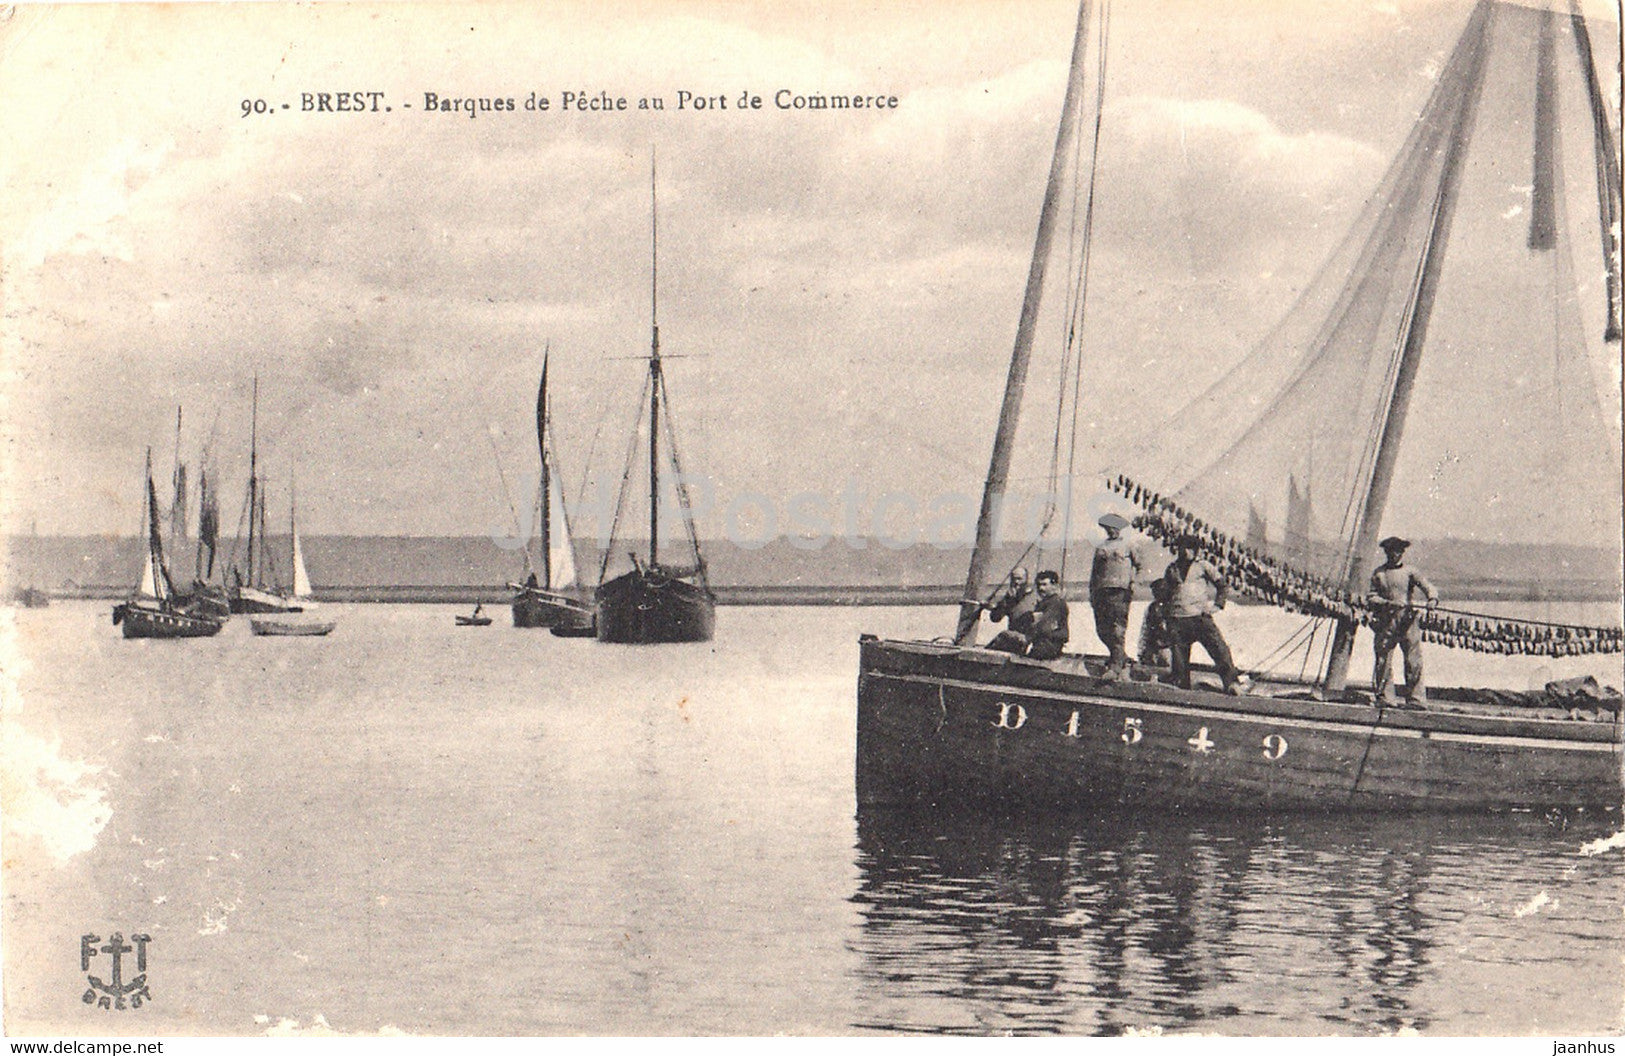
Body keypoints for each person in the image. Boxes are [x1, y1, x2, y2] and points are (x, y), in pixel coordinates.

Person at [1160, 534, 1245, 693]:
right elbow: (1165, 594)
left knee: (1219, 650)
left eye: (1190, 548)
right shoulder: (1172, 569)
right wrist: (1166, 617)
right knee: (1179, 661)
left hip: (1199, 618)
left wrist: (1217, 605)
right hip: (1177, 619)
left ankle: (1232, 683)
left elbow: (1222, 585)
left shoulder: (1203, 566)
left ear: (1196, 551)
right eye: (1183, 548)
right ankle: (1182, 690)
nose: (1186, 552)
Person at [1368, 536, 1438, 707]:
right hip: (1386, 621)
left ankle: (1416, 699)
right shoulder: (1379, 573)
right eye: (1390, 552)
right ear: (1386, 553)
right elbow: (1371, 597)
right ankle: (1386, 698)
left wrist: (1432, 599)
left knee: (1413, 659)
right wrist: (1387, 603)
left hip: (1407, 620)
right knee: (1383, 659)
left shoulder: (1410, 571)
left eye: (1397, 552)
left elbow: (1428, 586)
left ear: (1402, 553)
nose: (1394, 555)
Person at [1090, 512, 1142, 678]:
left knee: (1117, 629)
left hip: (1120, 591)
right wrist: (1092, 593)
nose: (1112, 530)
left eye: (1115, 527)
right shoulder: (1101, 547)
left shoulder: (1129, 545)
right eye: (1109, 527)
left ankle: (1115, 666)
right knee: (1102, 629)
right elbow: (1094, 572)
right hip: (1101, 591)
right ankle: (1121, 657)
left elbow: (1140, 566)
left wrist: (1133, 583)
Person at [984, 567, 1036, 654]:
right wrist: (1006, 602)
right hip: (1013, 639)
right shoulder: (1010, 598)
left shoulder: (1034, 596)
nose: (1016, 582)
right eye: (1013, 579)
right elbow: (995, 618)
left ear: (1026, 579)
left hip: (1029, 639)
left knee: (1003, 636)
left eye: (1019, 579)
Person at [1026, 570, 1070, 661]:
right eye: (1039, 585)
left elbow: (1044, 627)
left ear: (1054, 586)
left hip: (1049, 647)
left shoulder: (1055, 603)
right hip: (1042, 645)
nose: (1041, 588)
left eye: (1044, 585)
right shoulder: (1044, 603)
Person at [1137, 575, 1173, 668]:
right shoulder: (1151, 608)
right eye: (1154, 592)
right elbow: (1145, 630)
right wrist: (1141, 651)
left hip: (1169, 650)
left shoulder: (1173, 607)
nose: (1155, 595)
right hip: (1153, 649)